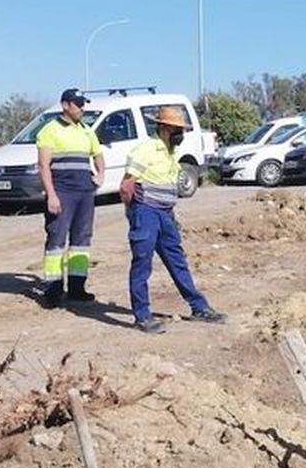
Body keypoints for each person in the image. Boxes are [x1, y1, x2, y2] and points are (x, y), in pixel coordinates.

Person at [120, 106, 227, 334]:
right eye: (177, 129)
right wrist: (132, 213)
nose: (181, 134)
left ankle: (199, 308)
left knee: (177, 260)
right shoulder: (145, 150)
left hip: (166, 215)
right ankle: (142, 315)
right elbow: (127, 185)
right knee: (142, 263)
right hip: (146, 213)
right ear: (164, 127)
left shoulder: (171, 152)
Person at [37, 88, 104, 308]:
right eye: (78, 104)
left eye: (83, 104)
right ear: (65, 105)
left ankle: (77, 288)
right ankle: (53, 290)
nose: (82, 108)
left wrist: (101, 174)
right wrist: (51, 195)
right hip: (62, 191)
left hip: (84, 192)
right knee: (56, 239)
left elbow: (98, 155)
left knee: (81, 240)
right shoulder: (50, 130)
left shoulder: (86, 130)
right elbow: (43, 165)